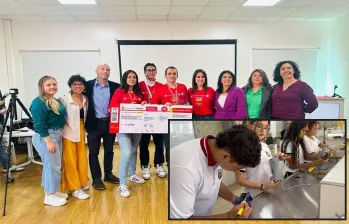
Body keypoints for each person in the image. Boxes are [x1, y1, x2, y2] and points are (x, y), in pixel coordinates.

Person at [170, 125, 261, 219]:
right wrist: (229, 216)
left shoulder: (216, 149)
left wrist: (234, 199)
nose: (236, 171)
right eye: (237, 168)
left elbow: (214, 181)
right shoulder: (186, 169)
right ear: (226, 157)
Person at [30, 76, 67, 207]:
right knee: (53, 167)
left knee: (50, 166)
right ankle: (50, 196)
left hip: (56, 135)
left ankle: (52, 191)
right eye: (48, 85)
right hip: (46, 137)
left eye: (54, 84)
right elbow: (39, 125)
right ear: (42, 87)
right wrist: (49, 141)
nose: (52, 87)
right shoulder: (38, 103)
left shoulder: (54, 100)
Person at [109, 70, 147, 197]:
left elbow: (144, 108)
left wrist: (143, 104)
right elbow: (112, 108)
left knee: (134, 150)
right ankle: (122, 184)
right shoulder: (119, 92)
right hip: (123, 128)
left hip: (136, 128)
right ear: (125, 78)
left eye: (134, 77)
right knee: (126, 153)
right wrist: (126, 107)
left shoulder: (138, 93)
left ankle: (132, 174)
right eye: (129, 77)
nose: (132, 79)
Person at [85, 64, 121, 190]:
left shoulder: (116, 86)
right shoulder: (87, 86)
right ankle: (96, 178)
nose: (105, 71)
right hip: (93, 124)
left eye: (108, 70)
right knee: (93, 152)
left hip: (110, 123)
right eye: (102, 69)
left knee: (109, 150)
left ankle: (108, 174)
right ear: (96, 71)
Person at [235, 120, 288, 197]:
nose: (263, 130)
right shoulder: (243, 148)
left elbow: (265, 165)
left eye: (266, 127)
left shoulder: (264, 145)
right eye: (259, 126)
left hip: (268, 191)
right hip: (253, 195)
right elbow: (240, 180)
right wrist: (261, 187)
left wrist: (276, 158)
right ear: (250, 125)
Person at [59, 74, 90, 200]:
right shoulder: (63, 99)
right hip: (68, 132)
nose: (78, 86)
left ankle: (82, 182)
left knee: (82, 158)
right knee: (70, 161)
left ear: (84, 86)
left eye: (80, 84)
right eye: (75, 84)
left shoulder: (85, 99)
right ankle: (75, 188)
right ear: (70, 86)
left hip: (81, 131)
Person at [152, 66, 188, 166]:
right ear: (165, 76)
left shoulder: (183, 87)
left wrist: (180, 103)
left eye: (174, 74)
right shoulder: (160, 89)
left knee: (178, 144)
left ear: (177, 75)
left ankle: (177, 164)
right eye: (169, 74)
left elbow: (187, 102)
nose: (172, 76)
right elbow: (154, 105)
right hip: (164, 122)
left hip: (180, 122)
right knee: (166, 145)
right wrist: (164, 106)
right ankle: (167, 165)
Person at [138, 63, 166, 179]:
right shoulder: (139, 85)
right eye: (149, 70)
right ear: (145, 72)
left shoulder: (162, 86)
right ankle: (145, 166)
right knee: (143, 143)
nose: (151, 72)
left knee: (159, 143)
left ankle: (159, 164)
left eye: (153, 70)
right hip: (143, 119)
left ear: (156, 72)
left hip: (157, 119)